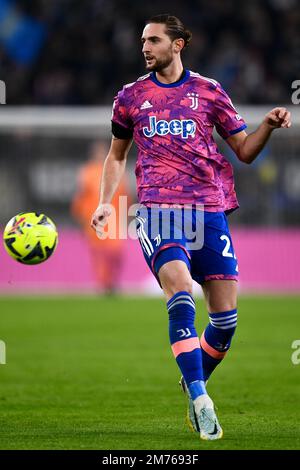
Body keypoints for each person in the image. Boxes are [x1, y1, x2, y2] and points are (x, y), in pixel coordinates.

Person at [91, 14, 291, 440]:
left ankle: (192, 376)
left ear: (179, 45)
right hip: (159, 211)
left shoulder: (209, 91)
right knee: (179, 288)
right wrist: (106, 203)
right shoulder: (129, 97)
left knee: (225, 324)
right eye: (143, 40)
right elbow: (117, 155)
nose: (145, 47)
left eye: (154, 40)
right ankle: (200, 398)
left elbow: (244, 151)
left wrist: (268, 128)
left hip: (209, 211)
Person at [71, 141, 129, 294]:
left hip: (115, 219)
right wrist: (80, 215)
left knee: (117, 254)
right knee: (100, 255)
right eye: (98, 152)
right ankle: (105, 285)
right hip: (95, 220)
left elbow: (125, 195)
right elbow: (81, 196)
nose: (100, 154)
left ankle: (112, 282)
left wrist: (127, 215)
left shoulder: (116, 170)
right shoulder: (87, 172)